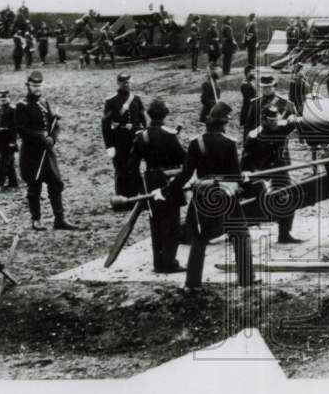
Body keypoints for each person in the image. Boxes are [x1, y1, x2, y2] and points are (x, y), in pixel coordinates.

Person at [153, 101, 255, 288]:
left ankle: (192, 283)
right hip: (225, 195)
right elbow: (234, 176)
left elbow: (184, 175)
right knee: (240, 234)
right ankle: (246, 279)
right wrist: (245, 178)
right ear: (224, 124)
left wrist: (165, 191)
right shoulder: (229, 143)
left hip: (202, 196)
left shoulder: (195, 143)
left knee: (199, 240)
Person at [242, 74, 304, 245]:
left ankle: (284, 234)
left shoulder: (286, 104)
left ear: (275, 86)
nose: (266, 89)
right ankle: (240, 229)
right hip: (259, 156)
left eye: (269, 87)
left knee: (285, 194)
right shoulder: (255, 104)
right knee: (253, 194)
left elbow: (296, 123)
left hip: (279, 157)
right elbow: (247, 128)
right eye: (263, 87)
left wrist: (292, 118)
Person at [15, 70, 79, 231]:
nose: (37, 88)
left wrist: (52, 138)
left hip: (47, 153)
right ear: (28, 86)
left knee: (56, 183)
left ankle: (60, 219)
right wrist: (41, 137)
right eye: (34, 85)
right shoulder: (21, 105)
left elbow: (54, 125)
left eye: (39, 85)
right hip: (32, 154)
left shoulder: (45, 102)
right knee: (34, 186)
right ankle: (36, 219)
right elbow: (21, 130)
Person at [129, 98, 187, 274]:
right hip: (168, 181)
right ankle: (169, 262)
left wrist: (142, 186)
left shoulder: (142, 136)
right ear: (165, 114)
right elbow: (183, 158)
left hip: (150, 181)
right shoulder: (169, 135)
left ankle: (158, 262)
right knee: (172, 223)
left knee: (156, 222)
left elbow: (132, 165)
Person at [100, 72, 146, 197]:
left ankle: (138, 197)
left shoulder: (136, 99)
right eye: (123, 83)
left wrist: (146, 136)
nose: (126, 85)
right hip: (119, 139)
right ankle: (122, 198)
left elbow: (143, 119)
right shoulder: (111, 101)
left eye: (128, 82)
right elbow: (105, 125)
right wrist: (109, 146)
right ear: (118, 84)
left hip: (135, 138)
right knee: (121, 168)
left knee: (136, 167)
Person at [0, 90, 19, 189]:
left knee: (3, 162)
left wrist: (13, 141)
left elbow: (15, 127)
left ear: (9, 98)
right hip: (0, 140)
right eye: (1, 98)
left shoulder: (13, 110)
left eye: (5, 97)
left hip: (9, 140)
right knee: (9, 162)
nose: (3, 99)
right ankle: (13, 183)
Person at [240, 64, 257, 129]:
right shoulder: (245, 84)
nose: (254, 73)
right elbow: (248, 100)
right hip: (248, 110)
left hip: (251, 108)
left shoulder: (250, 82)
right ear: (248, 73)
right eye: (253, 71)